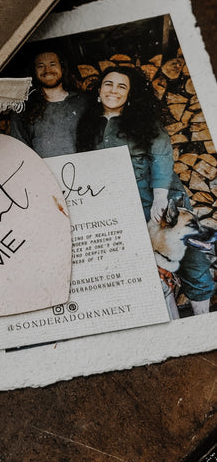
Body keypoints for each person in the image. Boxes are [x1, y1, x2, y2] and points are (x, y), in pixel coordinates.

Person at [77, 65, 214, 315]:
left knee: (190, 257)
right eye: (109, 84)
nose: (114, 90)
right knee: (148, 264)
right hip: (126, 206)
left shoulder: (144, 120)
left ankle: (203, 320)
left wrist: (160, 195)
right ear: (99, 88)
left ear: (130, 94)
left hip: (162, 200)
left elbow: (161, 153)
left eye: (122, 86)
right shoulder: (90, 125)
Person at [9, 49, 87, 157]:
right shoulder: (23, 109)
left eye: (52, 64)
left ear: (62, 68)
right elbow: (19, 148)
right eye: (41, 66)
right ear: (34, 72)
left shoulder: (82, 102)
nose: (47, 70)